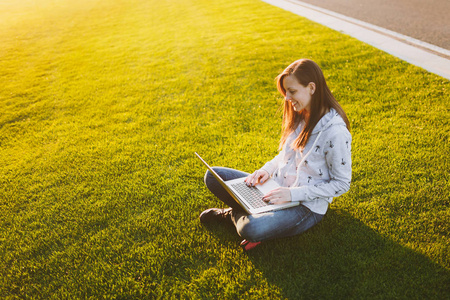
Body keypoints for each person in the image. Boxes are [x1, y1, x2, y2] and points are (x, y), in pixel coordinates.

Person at [199, 59, 352, 251]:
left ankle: (232, 214)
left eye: (292, 91)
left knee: (252, 228)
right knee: (212, 176)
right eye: (286, 92)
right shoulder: (301, 114)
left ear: (311, 88)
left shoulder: (335, 132)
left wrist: (291, 194)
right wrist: (266, 170)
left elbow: (342, 183)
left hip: (305, 207)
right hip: (274, 188)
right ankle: (250, 209)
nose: (287, 98)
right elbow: (286, 154)